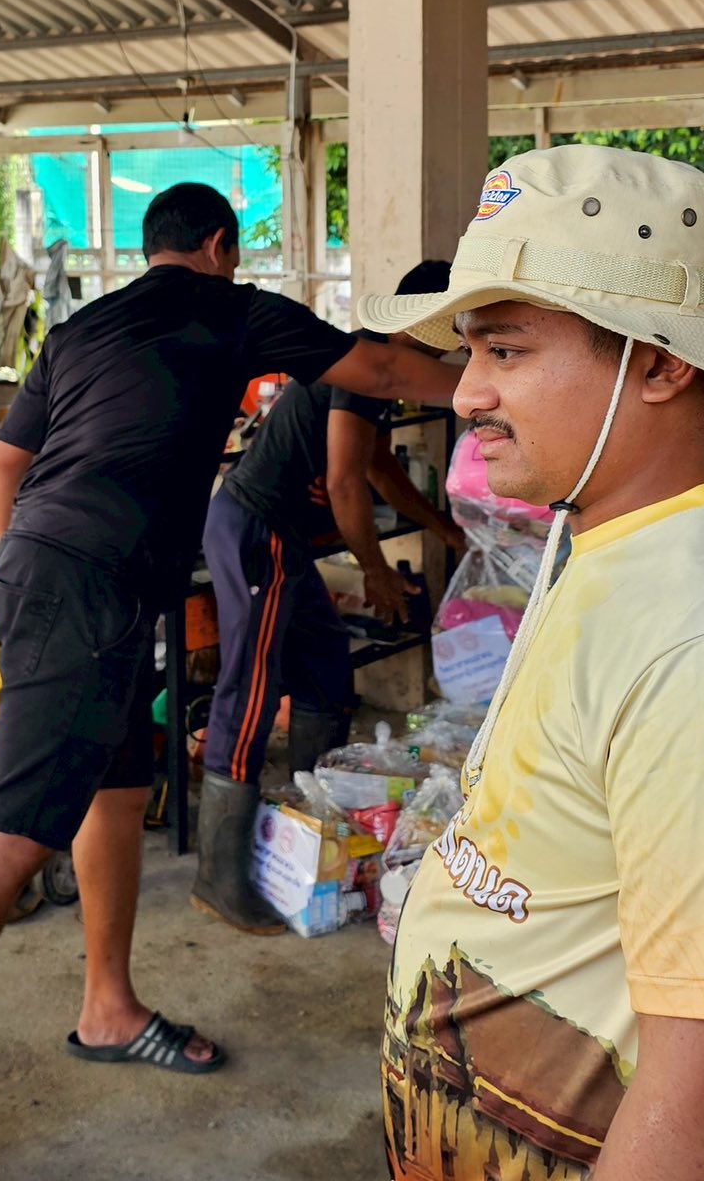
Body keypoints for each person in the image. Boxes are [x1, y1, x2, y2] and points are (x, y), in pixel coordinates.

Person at [0, 182, 461, 1179]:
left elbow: (1, 463)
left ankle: (107, 1006)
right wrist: (493, 382)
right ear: (219, 245)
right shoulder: (231, 308)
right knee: (10, 838)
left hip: (62, 577)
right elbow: (386, 365)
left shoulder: (81, 328)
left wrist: (24, 572)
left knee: (120, 786)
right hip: (87, 587)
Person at [368, 146, 704, 1181]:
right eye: (469, 353)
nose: (465, 394)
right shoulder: (612, 547)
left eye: (505, 351)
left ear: (659, 364)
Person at [193, 259, 466, 934]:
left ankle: (312, 819)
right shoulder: (363, 364)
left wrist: (442, 527)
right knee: (250, 691)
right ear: (425, 321)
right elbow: (346, 481)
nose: (452, 348)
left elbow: (377, 468)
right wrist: (374, 569)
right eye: (451, 330)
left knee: (323, 667)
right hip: (256, 529)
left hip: (279, 536)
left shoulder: (376, 373)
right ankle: (218, 877)